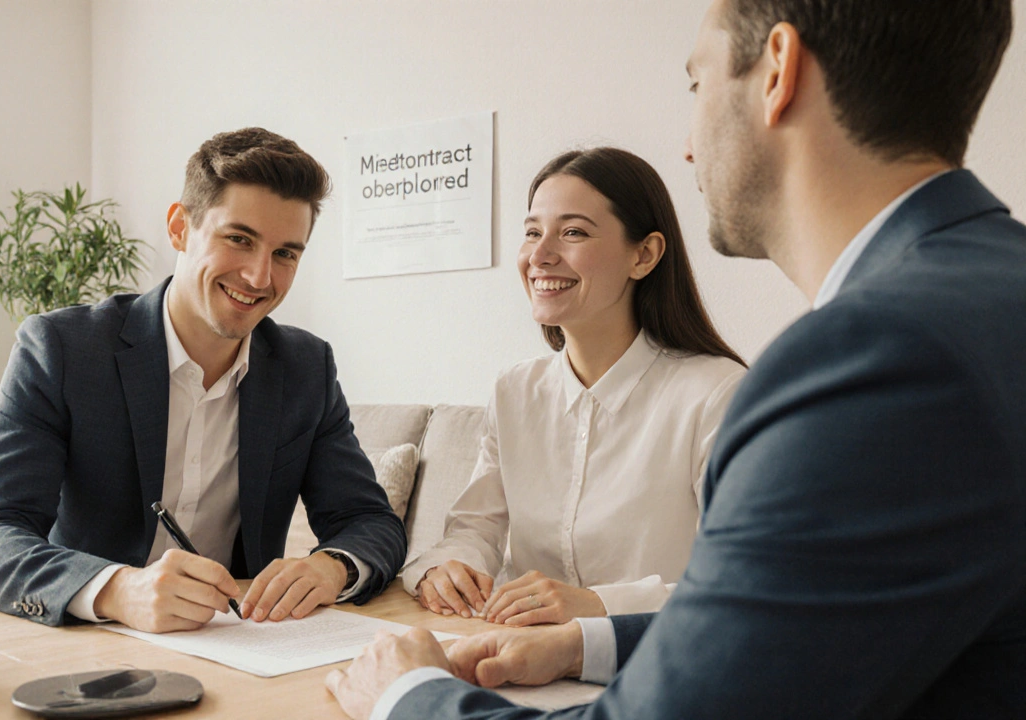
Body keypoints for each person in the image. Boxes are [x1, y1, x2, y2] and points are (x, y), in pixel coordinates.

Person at [327, 0, 1026, 717]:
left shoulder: (874, 360)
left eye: (697, 85)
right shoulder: (986, 295)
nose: (688, 145)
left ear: (777, 71)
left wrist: (408, 696)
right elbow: (795, 631)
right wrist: (581, 643)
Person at [0, 128, 407, 632]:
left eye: (285, 254)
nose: (260, 277)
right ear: (179, 228)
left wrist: (332, 566)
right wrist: (117, 590)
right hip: (64, 639)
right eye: (239, 239)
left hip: (230, 646)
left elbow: (370, 521)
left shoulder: (305, 368)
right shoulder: (62, 349)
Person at [403, 147, 746, 626]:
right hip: (515, 650)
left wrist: (600, 606)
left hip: (648, 664)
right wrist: (445, 567)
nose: (539, 256)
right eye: (531, 233)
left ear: (643, 255)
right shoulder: (515, 390)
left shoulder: (717, 395)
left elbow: (743, 580)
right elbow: (476, 529)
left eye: (573, 233)